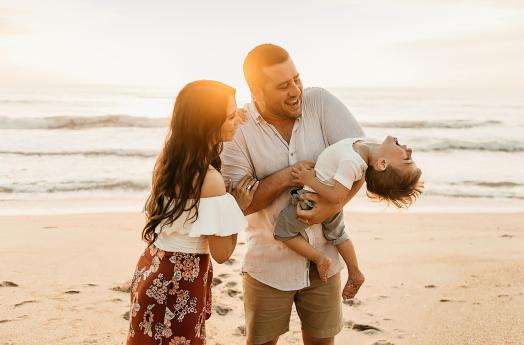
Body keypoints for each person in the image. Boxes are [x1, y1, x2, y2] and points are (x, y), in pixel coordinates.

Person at [221, 44, 364, 345]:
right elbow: (239, 204)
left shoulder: (320, 102)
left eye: (296, 79)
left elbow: (361, 162)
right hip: (267, 264)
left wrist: (332, 207)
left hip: (324, 257)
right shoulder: (239, 128)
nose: (295, 90)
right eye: (283, 85)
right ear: (256, 91)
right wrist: (287, 177)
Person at [126, 80, 254, 345]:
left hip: (153, 268)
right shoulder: (209, 180)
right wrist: (237, 206)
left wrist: (234, 114)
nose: (237, 121)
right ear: (208, 124)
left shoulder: (170, 161)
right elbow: (222, 253)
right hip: (178, 283)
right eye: (230, 117)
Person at [274, 135, 423, 300]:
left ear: (382, 163)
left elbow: (336, 197)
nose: (409, 149)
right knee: (338, 234)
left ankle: (319, 258)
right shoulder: (369, 145)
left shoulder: (352, 161)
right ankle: (355, 272)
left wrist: (309, 179)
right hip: (327, 200)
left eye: (407, 159)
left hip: (311, 200)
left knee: (282, 232)